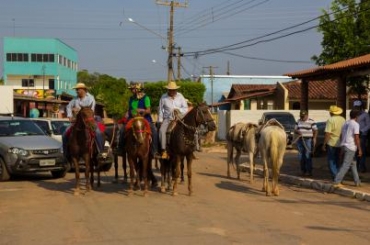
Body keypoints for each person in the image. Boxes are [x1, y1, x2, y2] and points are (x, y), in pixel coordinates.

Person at [62, 83, 104, 157]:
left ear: (83, 90)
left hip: (90, 120)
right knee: (65, 134)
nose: (77, 91)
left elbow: (90, 110)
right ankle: (66, 153)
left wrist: (77, 111)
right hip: (77, 121)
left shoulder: (90, 98)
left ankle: (101, 151)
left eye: (78, 90)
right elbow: (68, 106)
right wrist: (70, 115)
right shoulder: (75, 99)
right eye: (76, 90)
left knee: (98, 132)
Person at [118, 82, 158, 156]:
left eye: (133, 89)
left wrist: (141, 110)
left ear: (139, 90)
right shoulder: (131, 98)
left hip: (145, 119)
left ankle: (154, 150)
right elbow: (130, 109)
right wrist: (127, 113)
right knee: (122, 130)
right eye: (131, 89)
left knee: (154, 131)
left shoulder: (146, 98)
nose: (132, 91)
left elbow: (148, 110)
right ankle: (121, 149)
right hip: (132, 118)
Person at [158, 81, 188, 159]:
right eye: (171, 90)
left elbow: (185, 108)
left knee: (192, 129)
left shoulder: (180, 96)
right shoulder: (163, 97)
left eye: (174, 89)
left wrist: (178, 109)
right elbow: (161, 110)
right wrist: (160, 120)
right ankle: (164, 150)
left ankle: (192, 148)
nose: (173, 91)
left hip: (180, 119)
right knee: (161, 131)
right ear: (168, 90)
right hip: (168, 119)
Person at [333, 110, 362, 188]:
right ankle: (337, 181)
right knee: (346, 165)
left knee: (353, 164)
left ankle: (357, 181)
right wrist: (359, 148)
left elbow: (341, 135)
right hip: (350, 146)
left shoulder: (345, 123)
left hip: (344, 145)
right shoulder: (356, 124)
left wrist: (342, 144)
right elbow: (356, 137)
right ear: (357, 116)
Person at [322, 105, 345, 180]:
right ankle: (338, 175)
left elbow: (328, 133)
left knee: (331, 160)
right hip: (340, 142)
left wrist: (324, 144)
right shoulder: (343, 119)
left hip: (331, 142)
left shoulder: (330, 120)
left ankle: (335, 176)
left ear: (331, 113)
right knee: (337, 160)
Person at [294, 110, 318, 177]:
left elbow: (315, 130)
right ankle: (303, 170)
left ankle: (309, 171)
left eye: (303, 116)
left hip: (308, 140)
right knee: (301, 155)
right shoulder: (298, 121)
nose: (302, 118)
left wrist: (314, 138)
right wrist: (298, 131)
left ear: (307, 115)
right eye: (301, 116)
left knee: (307, 155)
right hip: (300, 139)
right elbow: (295, 129)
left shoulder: (311, 121)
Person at [353, 100, 370, 173]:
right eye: (355, 107)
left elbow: (368, 125)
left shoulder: (365, 115)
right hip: (354, 135)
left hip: (362, 135)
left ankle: (362, 167)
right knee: (355, 152)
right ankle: (356, 167)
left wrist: (362, 131)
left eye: (358, 107)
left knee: (361, 151)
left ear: (361, 107)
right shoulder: (353, 114)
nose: (356, 108)